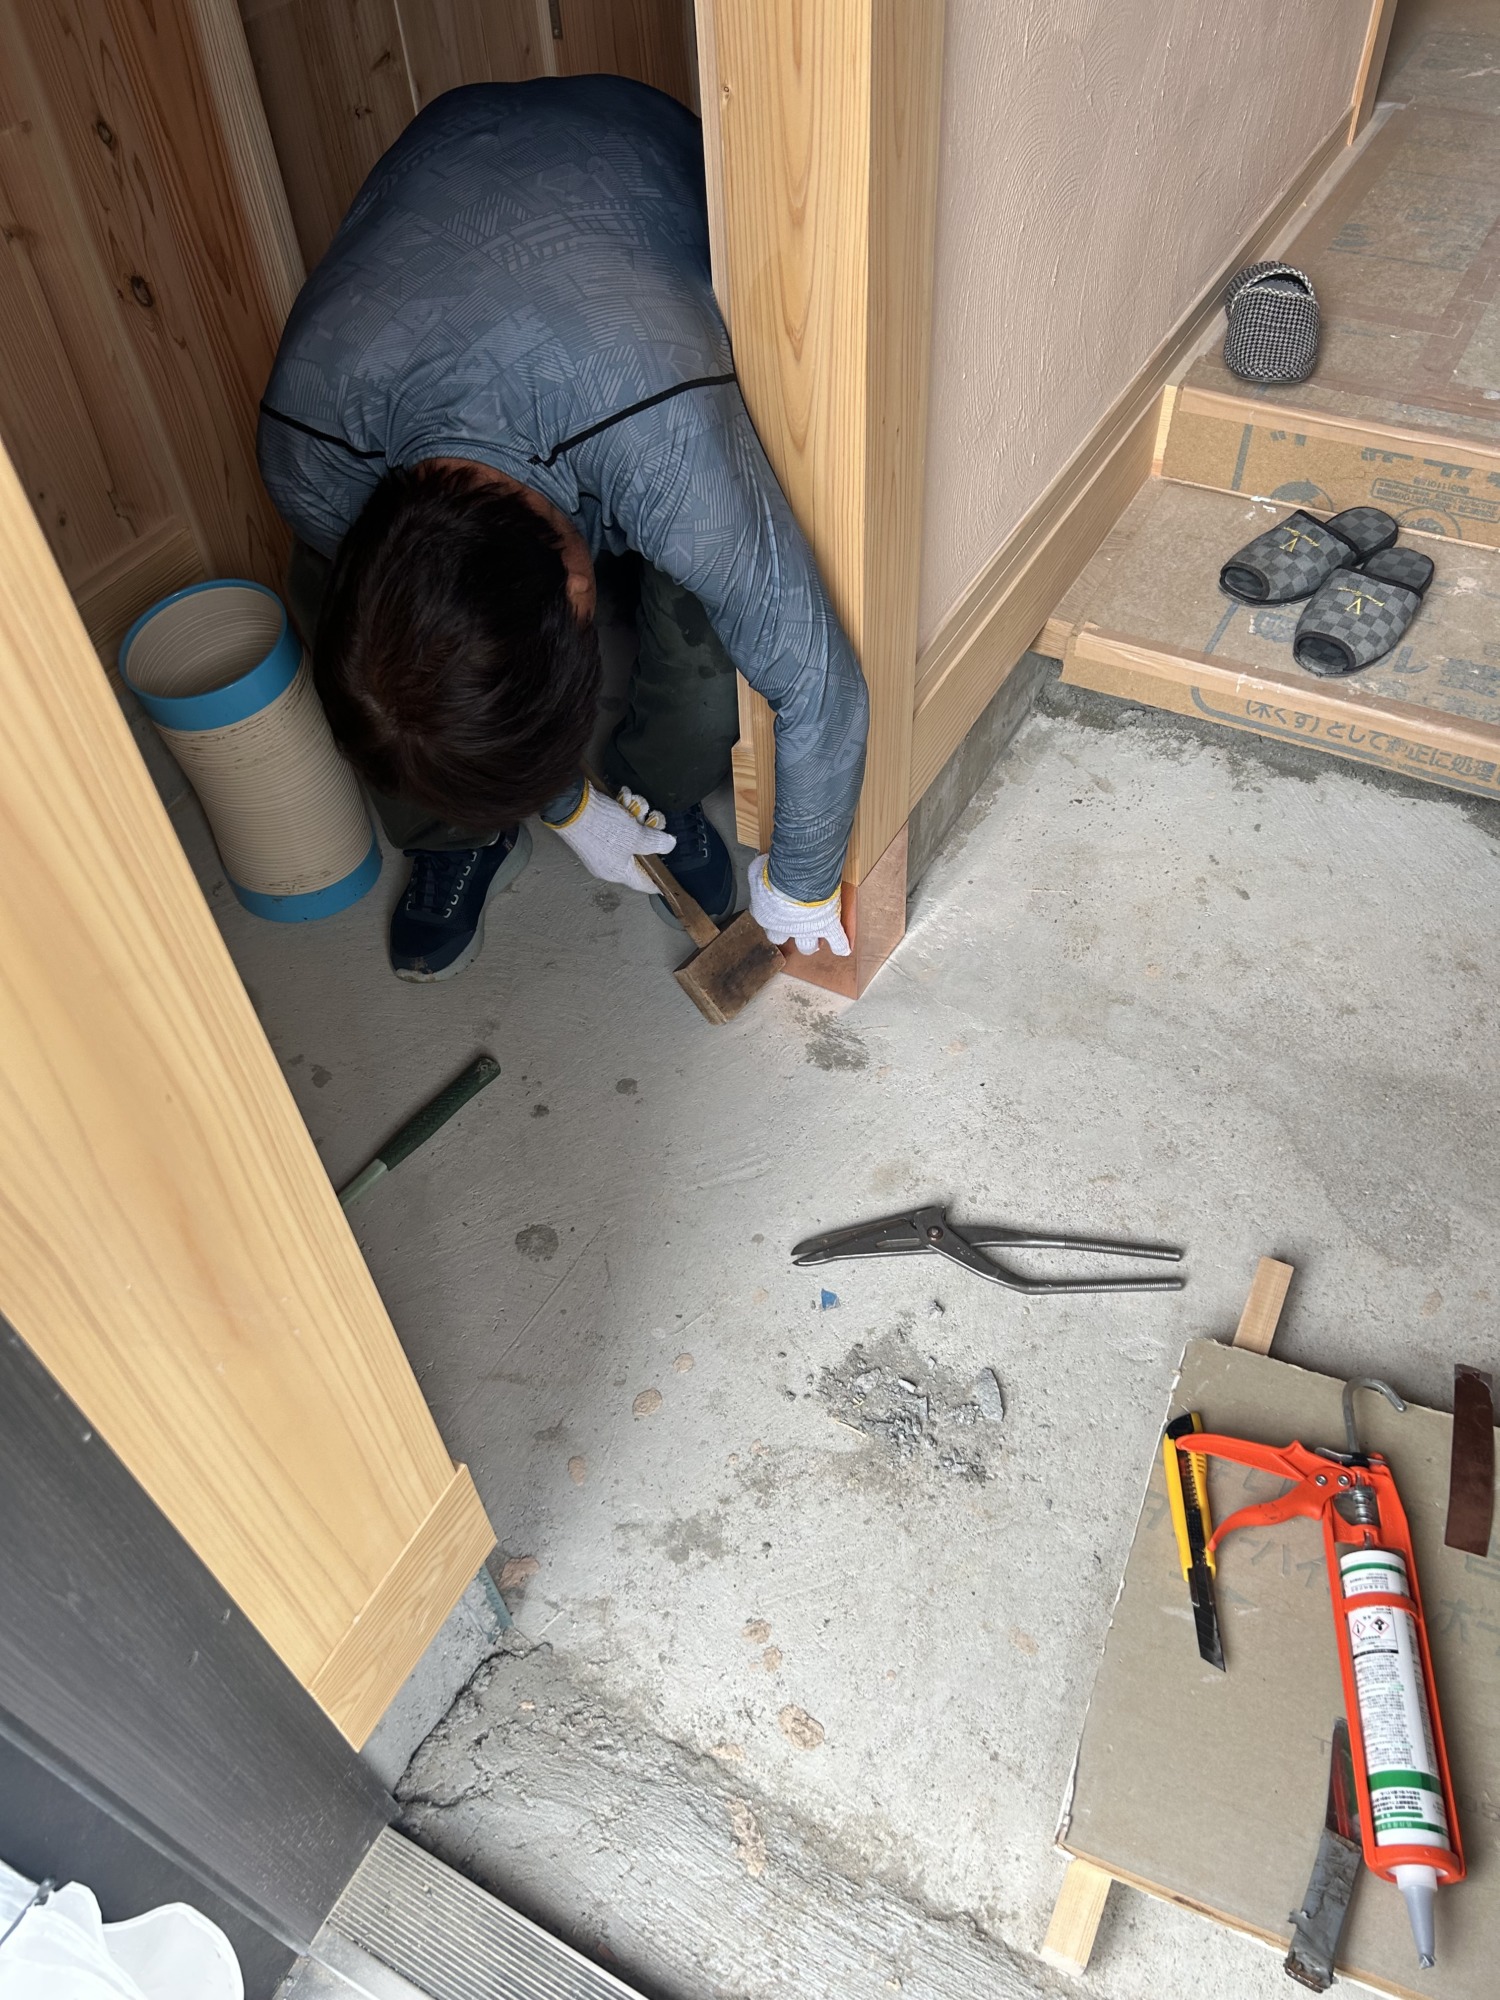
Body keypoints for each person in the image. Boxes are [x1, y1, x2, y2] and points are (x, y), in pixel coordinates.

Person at [257, 75, 868, 982]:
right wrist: (565, 806)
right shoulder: (305, 454)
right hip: (446, 177)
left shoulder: (664, 449)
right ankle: (458, 832)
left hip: (630, 150)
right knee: (384, 681)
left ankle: (657, 793)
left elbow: (817, 680)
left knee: (708, 649)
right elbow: (416, 660)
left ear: (581, 584)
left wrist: (804, 884)